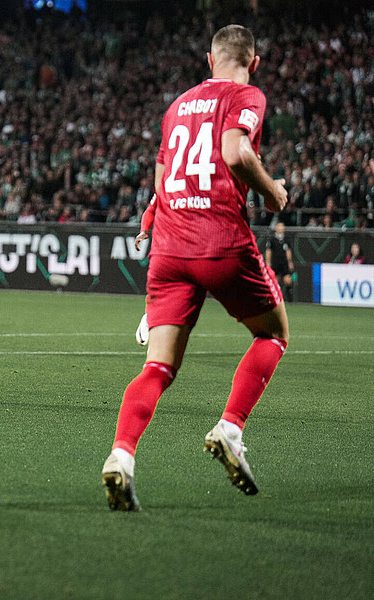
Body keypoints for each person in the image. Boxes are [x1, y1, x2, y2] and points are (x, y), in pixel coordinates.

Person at [101, 25, 290, 511]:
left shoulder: (176, 106)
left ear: (209, 59)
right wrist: (273, 192)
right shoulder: (247, 93)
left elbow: (163, 186)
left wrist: (152, 227)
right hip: (220, 239)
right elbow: (235, 151)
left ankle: (121, 456)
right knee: (272, 334)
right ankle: (230, 427)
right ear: (256, 60)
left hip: (169, 249)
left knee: (158, 367)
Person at [133, 194, 157, 346]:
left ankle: (151, 317)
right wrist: (144, 230)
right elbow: (150, 210)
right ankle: (150, 318)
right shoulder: (167, 183)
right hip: (168, 246)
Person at [265, 222, 295, 299]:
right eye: (279, 226)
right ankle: (275, 298)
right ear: (276, 228)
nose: (281, 228)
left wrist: (290, 262)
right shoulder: (272, 239)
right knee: (275, 281)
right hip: (275, 262)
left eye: (282, 226)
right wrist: (268, 263)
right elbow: (268, 252)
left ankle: (290, 299)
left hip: (284, 263)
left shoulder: (286, 239)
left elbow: (288, 251)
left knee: (288, 280)